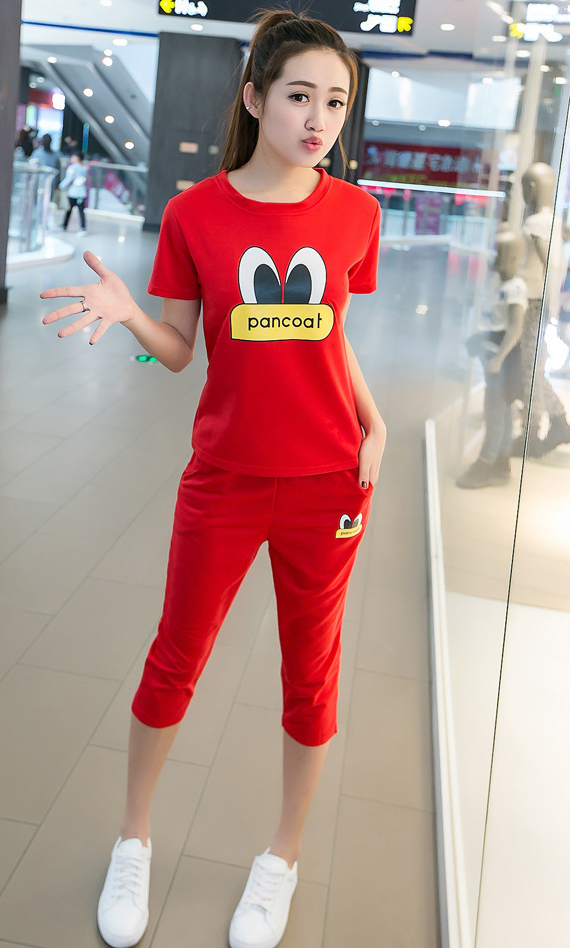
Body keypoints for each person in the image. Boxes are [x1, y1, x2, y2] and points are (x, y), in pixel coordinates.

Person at [40, 10, 385, 948]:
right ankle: (134, 839)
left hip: (329, 482)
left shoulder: (356, 214)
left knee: (310, 677)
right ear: (256, 98)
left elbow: (331, 332)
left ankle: (281, 860)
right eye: (301, 96)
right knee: (175, 660)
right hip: (225, 479)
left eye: (336, 102)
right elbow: (181, 350)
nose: (319, 119)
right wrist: (129, 314)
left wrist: (375, 419)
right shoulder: (196, 214)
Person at [457, 230, 526, 489]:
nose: (496, 258)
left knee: (495, 412)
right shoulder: (504, 285)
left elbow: (514, 328)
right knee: (502, 410)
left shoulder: (516, 288)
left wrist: (498, 358)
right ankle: (500, 462)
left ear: (514, 257)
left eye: (502, 253)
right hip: (493, 353)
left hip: (501, 358)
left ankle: (487, 462)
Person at [514, 162, 570, 456]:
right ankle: (538, 427)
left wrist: (551, 308)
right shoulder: (552, 221)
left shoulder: (537, 222)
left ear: (533, 188)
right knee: (530, 369)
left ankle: (544, 426)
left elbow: (551, 266)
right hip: (540, 304)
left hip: (533, 304)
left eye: (525, 186)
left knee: (530, 370)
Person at [59, 151, 88, 235]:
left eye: (73, 157)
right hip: (82, 192)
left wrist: (61, 186)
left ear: (77, 158)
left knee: (68, 210)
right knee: (81, 211)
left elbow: (68, 179)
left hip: (73, 192)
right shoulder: (84, 167)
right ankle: (83, 228)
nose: (71, 158)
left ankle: (64, 225)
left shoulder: (72, 168)